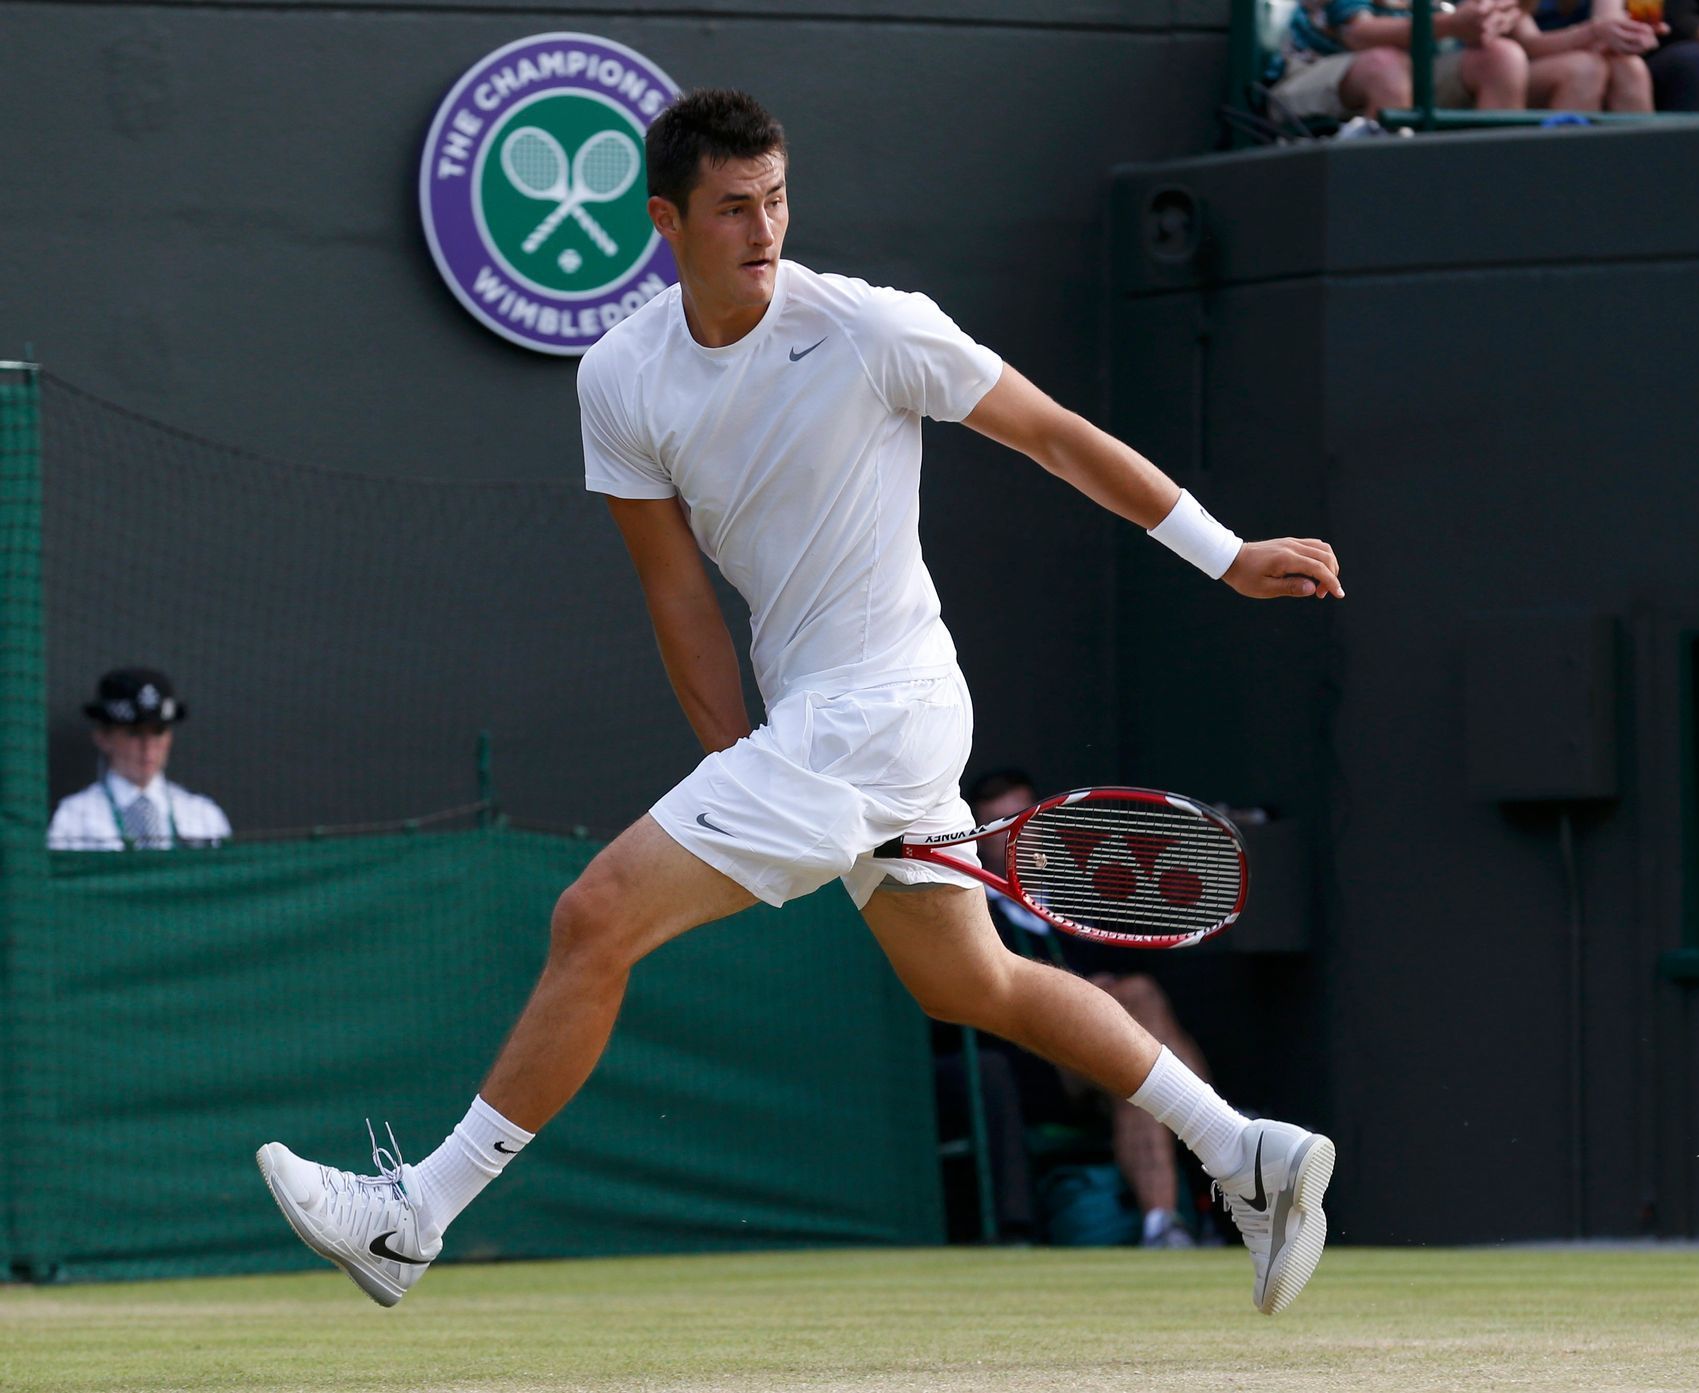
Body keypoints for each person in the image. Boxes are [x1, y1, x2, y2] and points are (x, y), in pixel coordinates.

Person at [256, 89, 1345, 1317]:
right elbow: (677, 597)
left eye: (775, 199)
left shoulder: (875, 329)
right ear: (668, 221)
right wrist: (738, 765)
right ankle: (1242, 1147)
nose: (763, 228)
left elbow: (1053, 435)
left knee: (593, 916)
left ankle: (416, 1217)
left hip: (887, 705)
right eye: (732, 209)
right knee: (969, 985)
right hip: (818, 727)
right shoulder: (620, 375)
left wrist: (1227, 551)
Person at [966, 768, 1226, 1250]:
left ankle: (1161, 1226)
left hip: (1112, 1056)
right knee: (1138, 1009)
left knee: (1138, 1069)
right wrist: (1089, 994)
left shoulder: (1081, 902)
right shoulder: (976, 916)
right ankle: (1228, 1136)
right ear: (979, 841)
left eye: (1024, 819)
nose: (1015, 835)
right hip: (1041, 1063)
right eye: (999, 827)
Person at [47, 667, 230, 851]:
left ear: (169, 738)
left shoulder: (203, 817)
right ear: (103, 737)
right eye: (133, 734)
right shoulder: (74, 818)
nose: (148, 747)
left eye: (158, 732)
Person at [1266, 0, 1530, 126]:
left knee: (1502, 59)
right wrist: (1451, 24)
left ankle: (1493, 197)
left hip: (1415, 73)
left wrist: (1496, 15)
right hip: (1310, 71)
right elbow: (1359, 34)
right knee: (1387, 67)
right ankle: (1387, 205)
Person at [1509, 0, 1664, 112]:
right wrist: (1591, 33)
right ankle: (1570, 155)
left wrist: (1631, 35)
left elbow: (1609, 20)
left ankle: (1642, 154)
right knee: (1584, 69)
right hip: (1520, 68)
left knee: (1630, 67)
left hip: (1588, 52)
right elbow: (1528, 44)